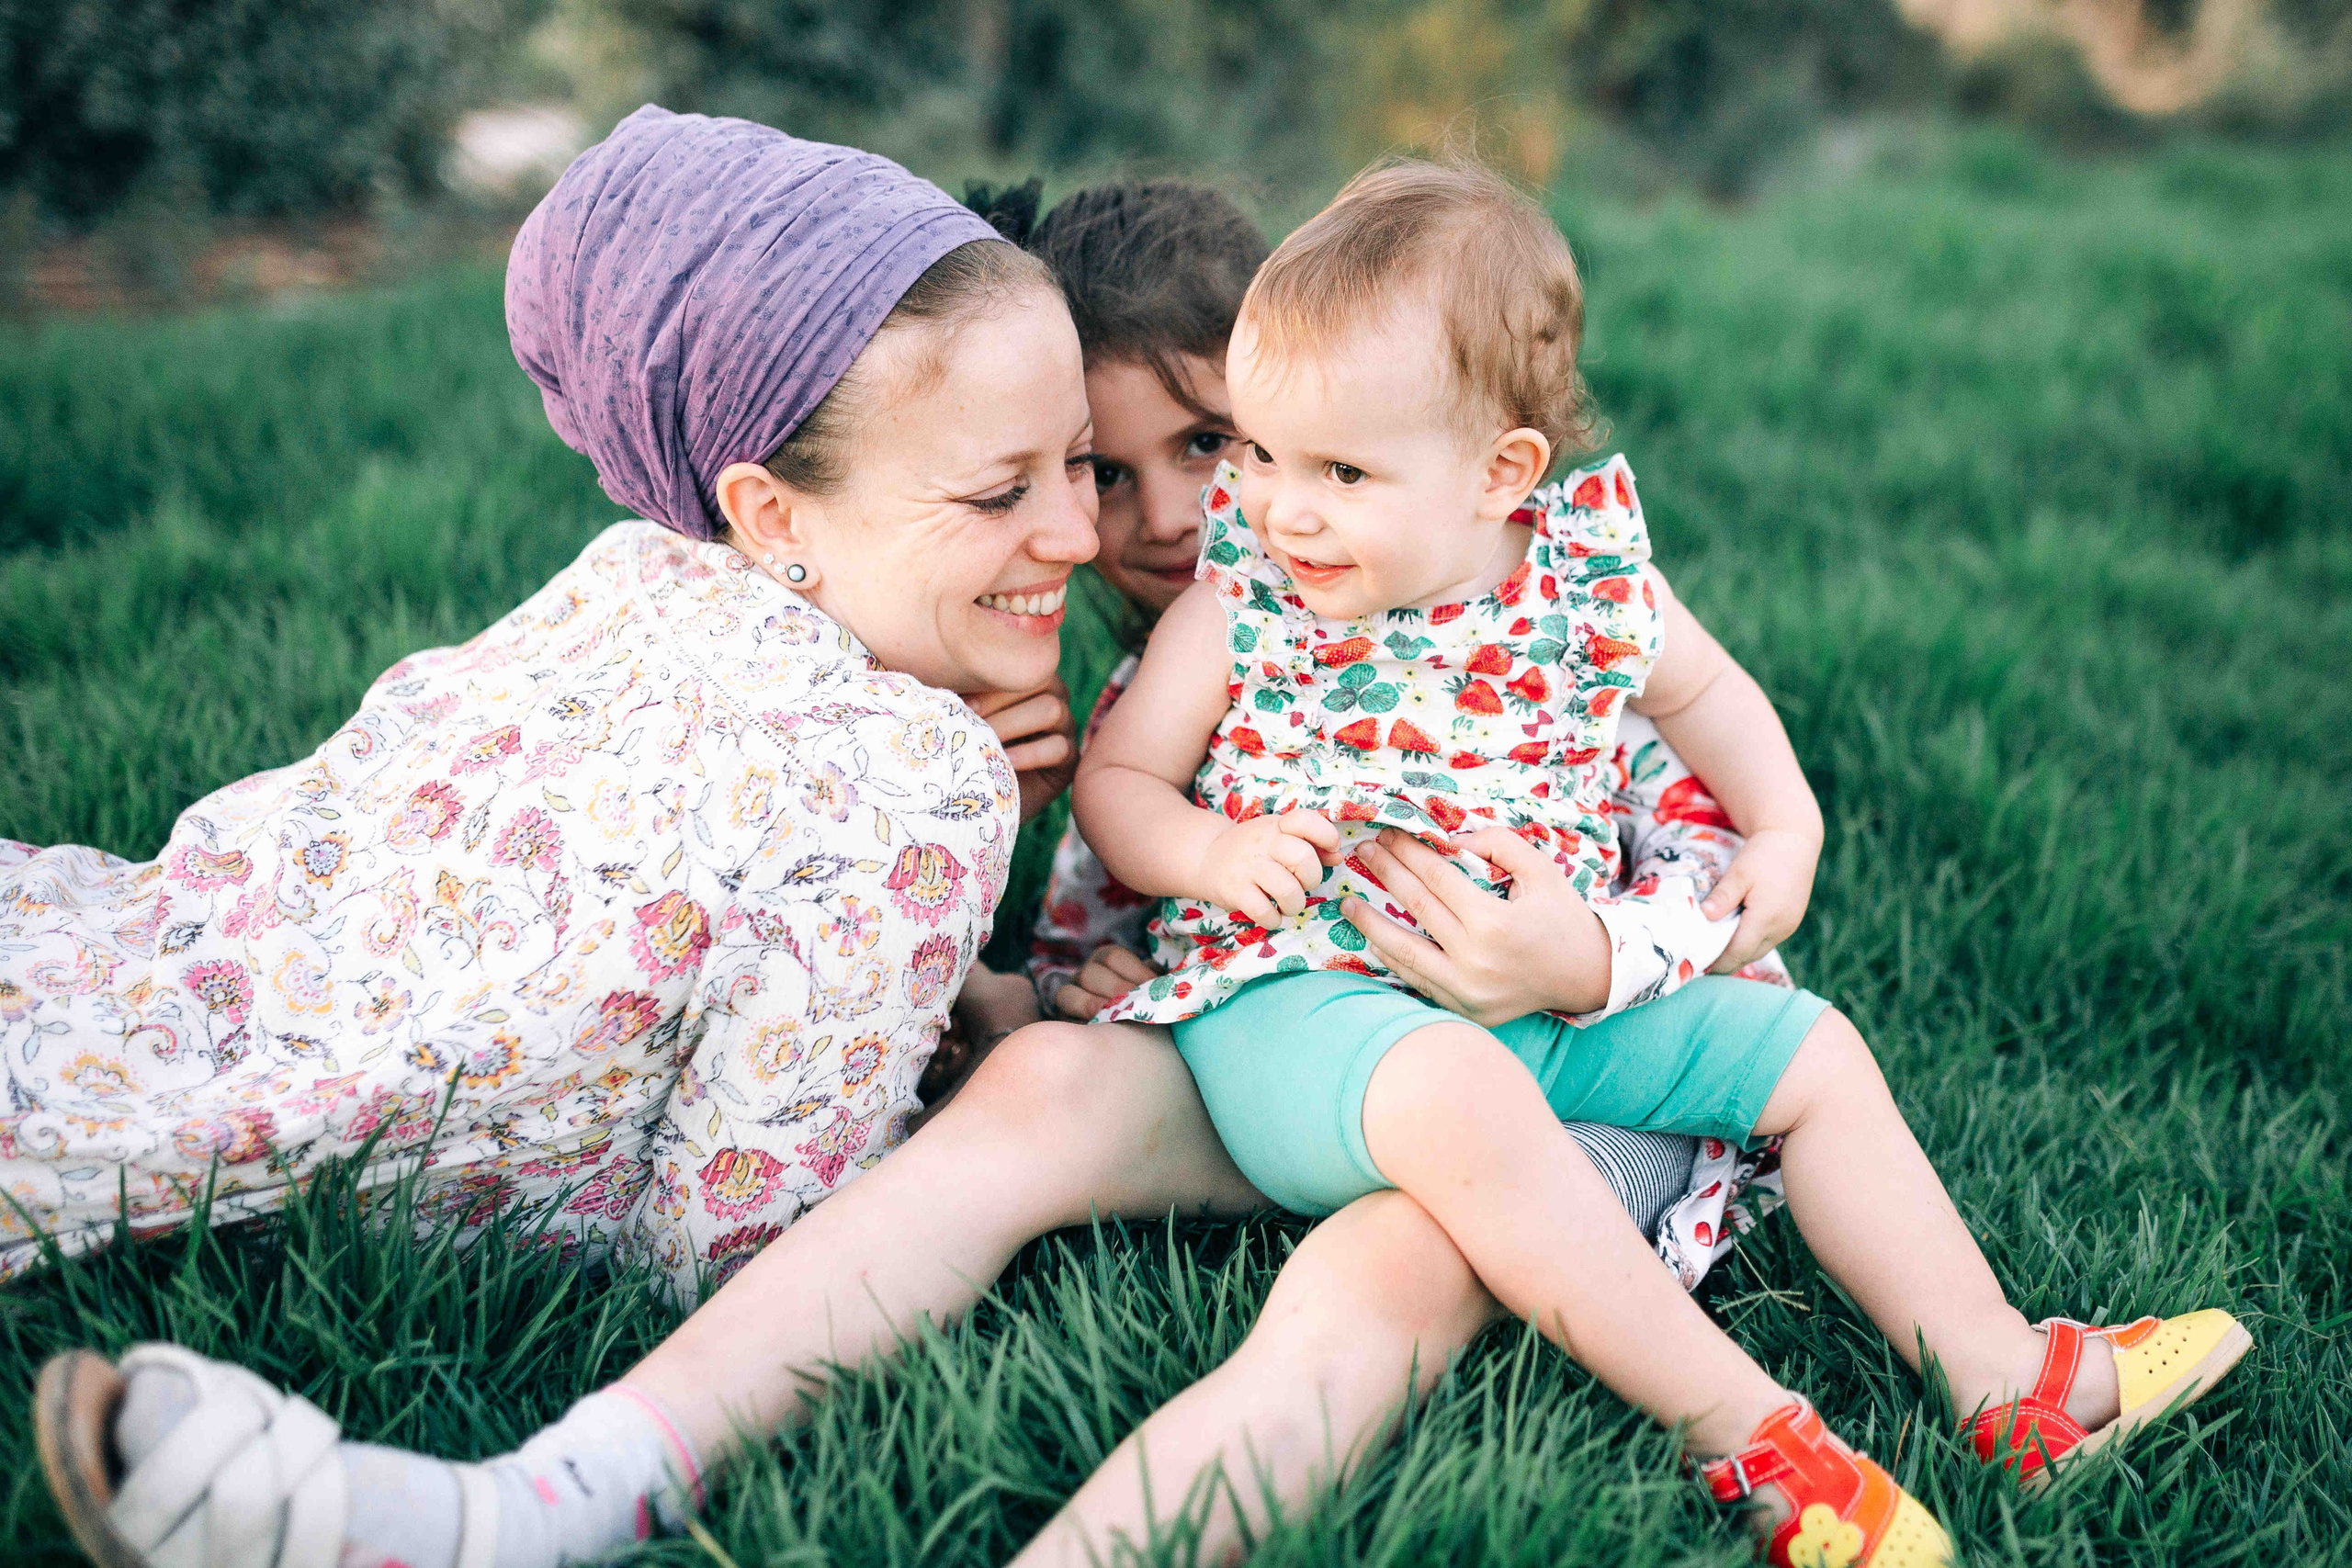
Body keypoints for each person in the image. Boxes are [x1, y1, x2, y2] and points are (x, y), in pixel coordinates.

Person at [1059, 156, 2250, 1568]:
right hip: (1308, 1011)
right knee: (1454, 1094)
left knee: (1808, 1054)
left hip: (1543, 1008)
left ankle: (2006, 1380)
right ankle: (1747, 1437)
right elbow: (1120, 777)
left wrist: (1784, 825)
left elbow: (1708, 697)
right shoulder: (1240, 602)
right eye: (1254, 454)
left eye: (1336, 471)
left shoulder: (1584, 572)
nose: (1274, 508)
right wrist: (1207, 845)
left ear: (1501, 471)